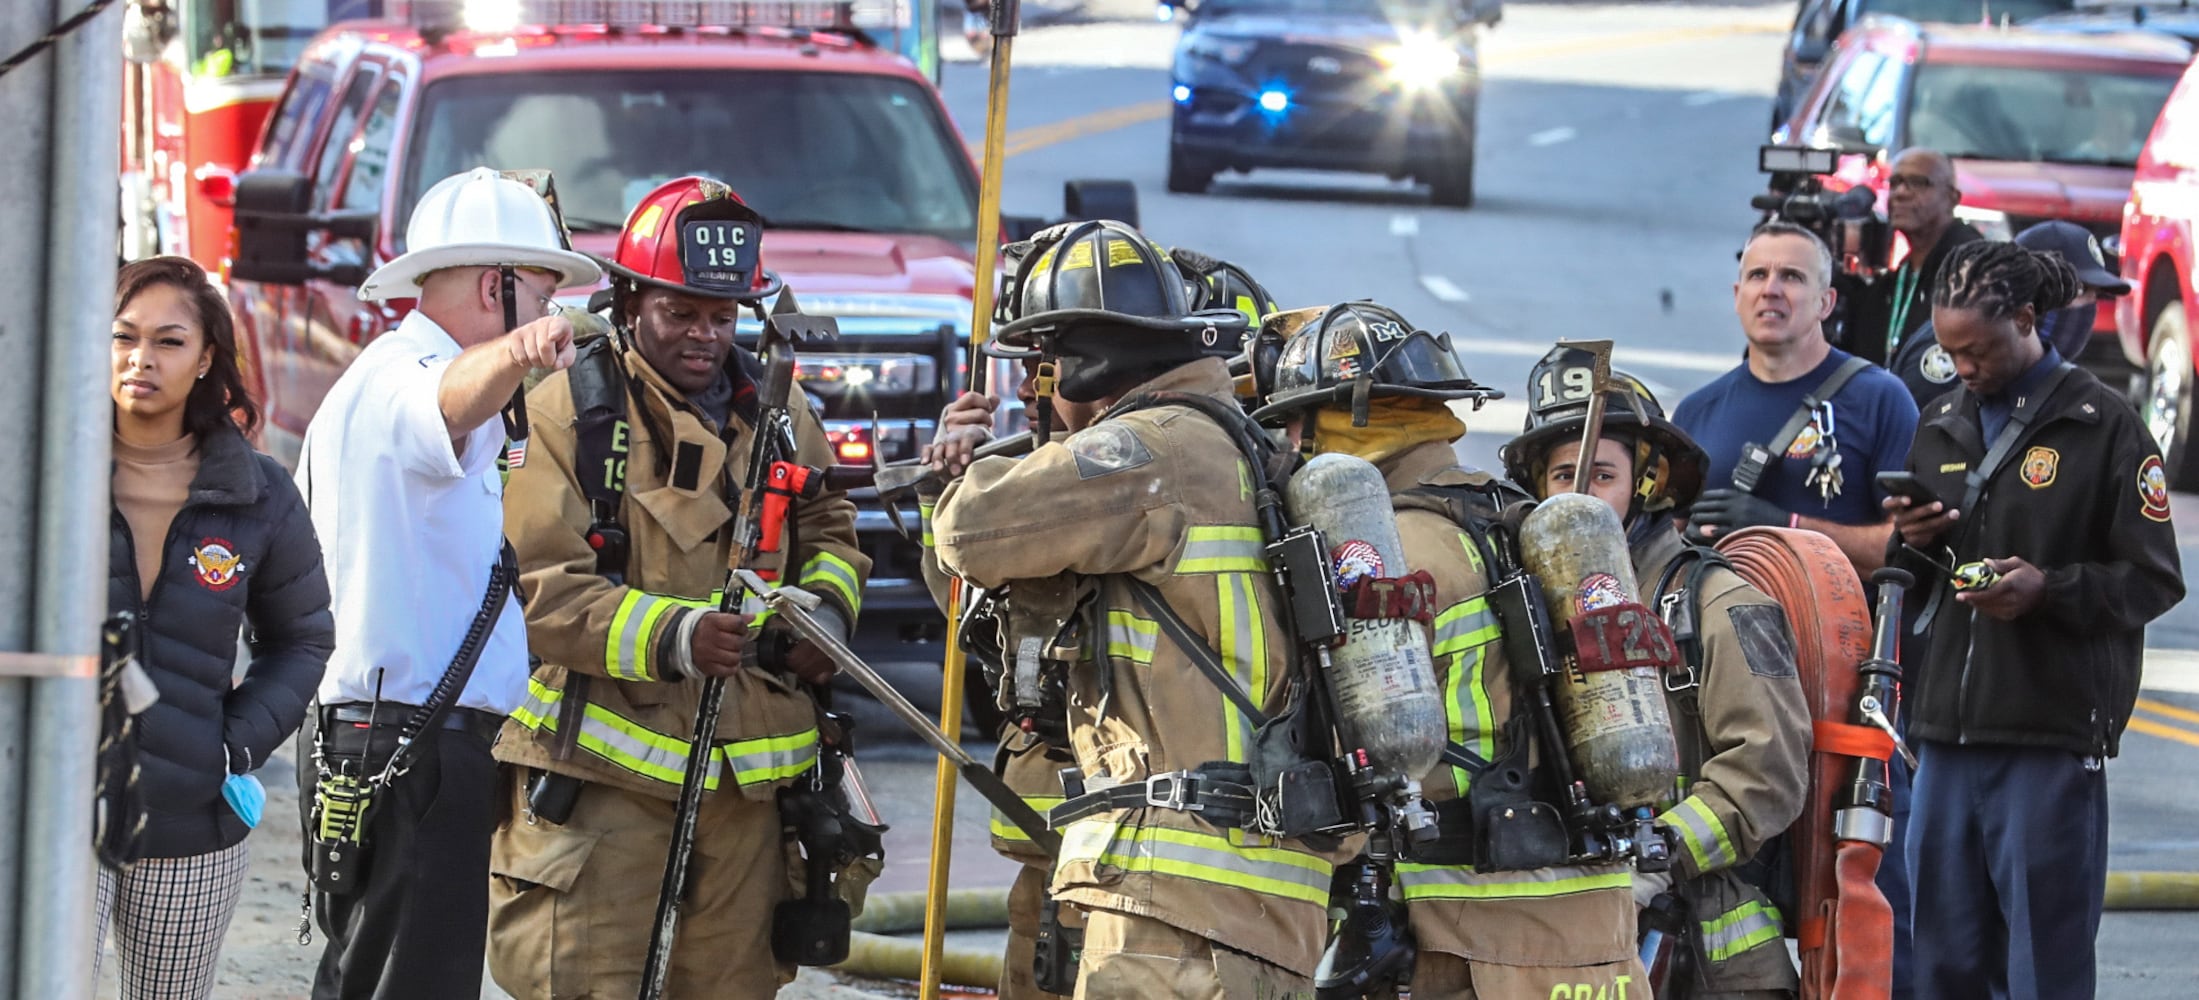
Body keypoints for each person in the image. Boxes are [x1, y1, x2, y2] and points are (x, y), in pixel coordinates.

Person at [931, 220, 1344, 998]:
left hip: (1180, 891)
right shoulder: (1241, 447)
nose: (1038, 389)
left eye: (1045, 366)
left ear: (1085, 363)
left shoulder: (1151, 449)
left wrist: (973, 466)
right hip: (1254, 886)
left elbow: (970, 532)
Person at [486, 177, 868, 998]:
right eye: (680, 313)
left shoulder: (777, 408)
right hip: (603, 786)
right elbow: (544, 588)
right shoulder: (565, 414)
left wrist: (824, 617)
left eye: (723, 317)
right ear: (627, 300)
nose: (704, 336)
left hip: (751, 786)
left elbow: (831, 528)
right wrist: (677, 637)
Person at [1247, 302, 1646, 997]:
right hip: (1598, 941)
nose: (1289, 445)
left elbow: (1338, 763)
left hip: (1464, 932)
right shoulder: (1526, 525)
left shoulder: (1385, 556)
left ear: (1350, 419)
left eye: (1297, 423)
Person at [294, 167, 599, 999]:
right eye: (539, 292)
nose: (547, 312)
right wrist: (520, 349)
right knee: (410, 981)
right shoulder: (404, 375)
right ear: (493, 283)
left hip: (402, 739)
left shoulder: (389, 375)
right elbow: (447, 401)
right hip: (408, 743)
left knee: (395, 974)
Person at [1888, 241, 2184, 1000]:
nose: (1961, 367)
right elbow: (1922, 585)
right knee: (1942, 961)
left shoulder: (2103, 426)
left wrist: (2047, 590)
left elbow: (2153, 578)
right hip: (1944, 737)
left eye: (1976, 350)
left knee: (2041, 966)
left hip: (2047, 736)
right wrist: (1915, 544)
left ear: (2026, 320)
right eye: (1948, 350)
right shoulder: (1940, 421)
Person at [1503, 354, 1812, 999]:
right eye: (1562, 476)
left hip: (1703, 950)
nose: (1580, 496)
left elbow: (1768, 774)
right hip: (1576, 932)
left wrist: (1659, 853)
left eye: (1602, 475)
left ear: (1649, 485)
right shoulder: (1529, 606)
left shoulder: (1719, 603)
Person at [97, 256, 334, 999]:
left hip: (190, 822)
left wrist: (234, 743)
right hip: (49, 809)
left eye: (168, 341)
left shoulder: (255, 490)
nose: (141, 359)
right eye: (123, 336)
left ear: (206, 359)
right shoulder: (40, 466)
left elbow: (302, 638)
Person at [1677, 221, 1919, 577]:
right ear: (1737, 295)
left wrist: (1788, 527)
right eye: (1758, 275)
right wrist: (1686, 547)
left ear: (1826, 302)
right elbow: (1658, 547)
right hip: (1716, 629)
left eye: (1791, 276)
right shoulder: (1695, 412)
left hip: (1835, 628)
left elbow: (1907, 549)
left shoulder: (1881, 399)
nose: (1771, 290)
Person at [1890, 220, 2131, 408]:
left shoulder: (2036, 373)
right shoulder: (1955, 347)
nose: (2088, 305)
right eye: (2078, 290)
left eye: (2095, 295)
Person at [1850, 148, 1983, 367]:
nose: (1900, 193)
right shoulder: (1902, 273)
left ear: (1952, 198)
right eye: (1895, 182)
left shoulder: (1970, 263)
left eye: (1918, 182)